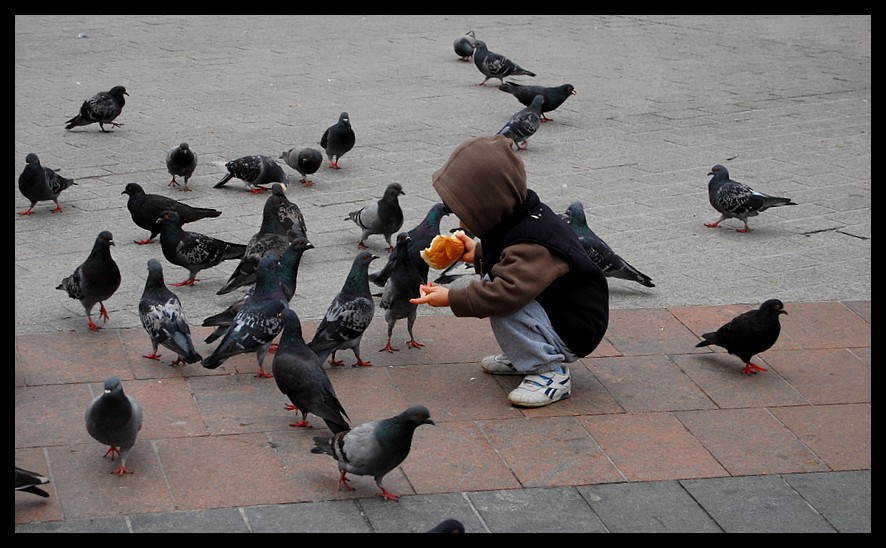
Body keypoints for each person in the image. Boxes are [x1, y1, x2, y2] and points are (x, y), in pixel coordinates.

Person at [411, 135, 609, 408]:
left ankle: (549, 370)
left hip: (574, 328)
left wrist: (451, 298)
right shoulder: (522, 215)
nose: (460, 222)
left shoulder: (532, 240)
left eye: (466, 212)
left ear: (490, 202)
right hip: (558, 309)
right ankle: (526, 353)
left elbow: (508, 291)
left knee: (501, 299)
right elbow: (513, 257)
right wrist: (478, 253)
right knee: (498, 286)